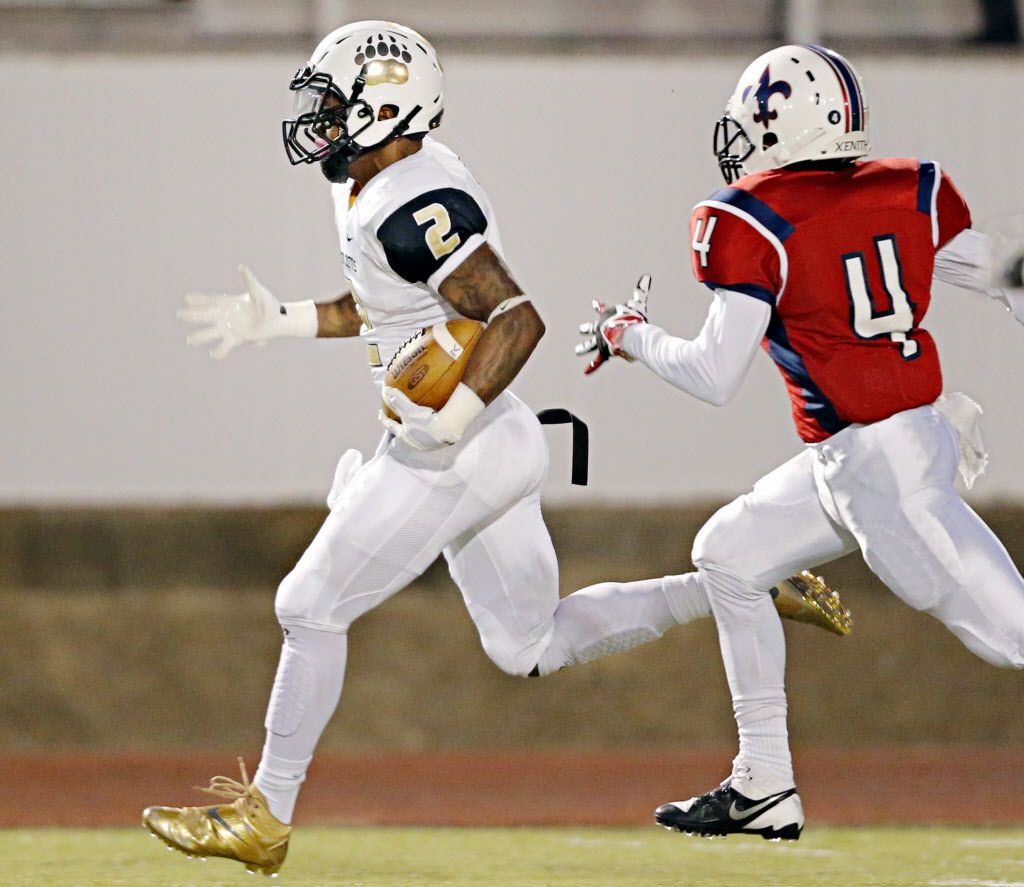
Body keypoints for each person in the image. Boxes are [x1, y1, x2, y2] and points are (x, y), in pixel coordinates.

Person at [142, 25, 851, 875]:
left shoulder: (409, 202)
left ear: (383, 107)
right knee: (529, 645)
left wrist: (448, 423)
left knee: (307, 605)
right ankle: (740, 591)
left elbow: (517, 316)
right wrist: (288, 320)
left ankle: (266, 816)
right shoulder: (375, 182)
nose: (319, 122)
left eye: (333, 106)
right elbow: (392, 301)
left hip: (458, 448)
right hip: (497, 436)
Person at [578, 43, 1024, 842]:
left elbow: (715, 375)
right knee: (728, 553)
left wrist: (630, 334)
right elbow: (1000, 274)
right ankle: (763, 784)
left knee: (1014, 639)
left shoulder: (749, 218)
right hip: (864, 452)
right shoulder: (910, 186)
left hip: (884, 470)